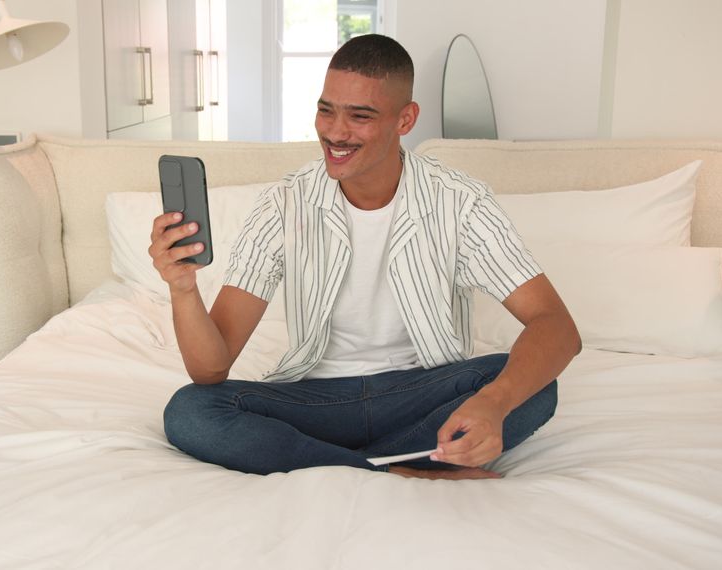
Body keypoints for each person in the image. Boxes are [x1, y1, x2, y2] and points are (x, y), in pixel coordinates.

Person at [149, 34, 580, 480]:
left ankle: (320, 460)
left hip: (422, 392)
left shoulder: (460, 202)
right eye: (326, 110)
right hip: (317, 399)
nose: (335, 132)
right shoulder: (284, 203)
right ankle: (401, 469)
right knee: (191, 410)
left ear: (406, 119)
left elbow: (557, 327)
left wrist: (494, 402)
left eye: (360, 116)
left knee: (534, 388)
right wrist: (182, 289)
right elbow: (211, 366)